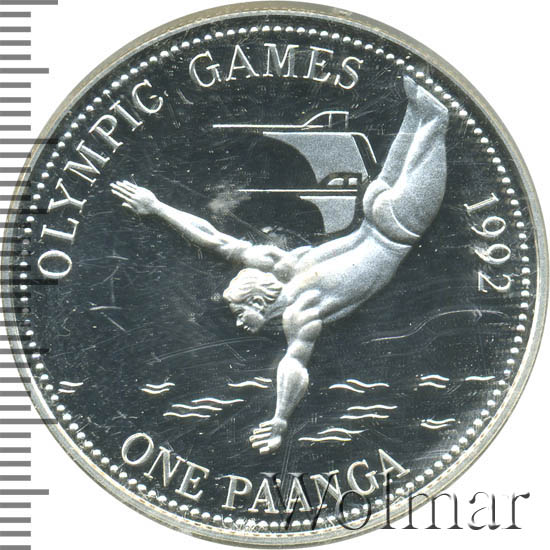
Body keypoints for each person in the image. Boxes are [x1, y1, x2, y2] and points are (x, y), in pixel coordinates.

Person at [111, 76, 449, 454]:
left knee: (435, 115)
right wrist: (156, 207)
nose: (239, 322)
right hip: (378, 212)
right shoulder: (281, 265)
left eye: (240, 312)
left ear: (258, 301)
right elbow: (216, 240)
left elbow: (293, 366)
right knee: (420, 108)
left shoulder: (298, 311)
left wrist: (280, 420)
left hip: (399, 226)